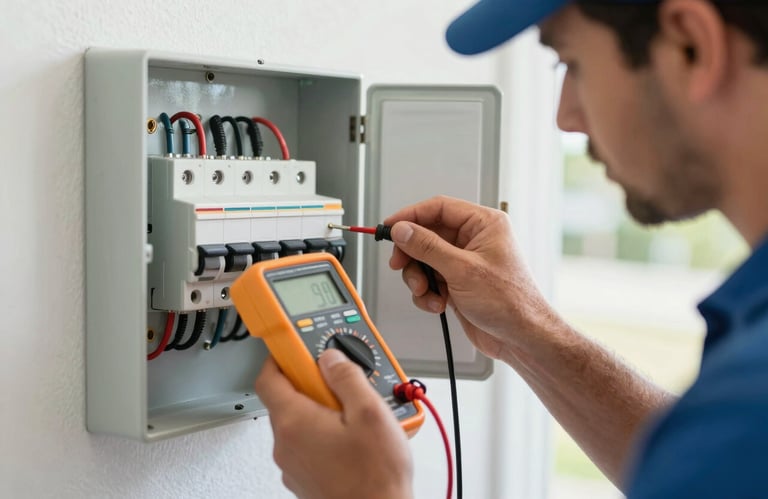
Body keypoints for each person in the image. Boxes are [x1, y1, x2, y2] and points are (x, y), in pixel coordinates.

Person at [255, 0, 768, 497]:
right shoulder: (739, 414)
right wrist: (527, 330)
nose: (566, 117)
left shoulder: (749, 394)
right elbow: (703, 462)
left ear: (689, 44)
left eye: (572, 62)